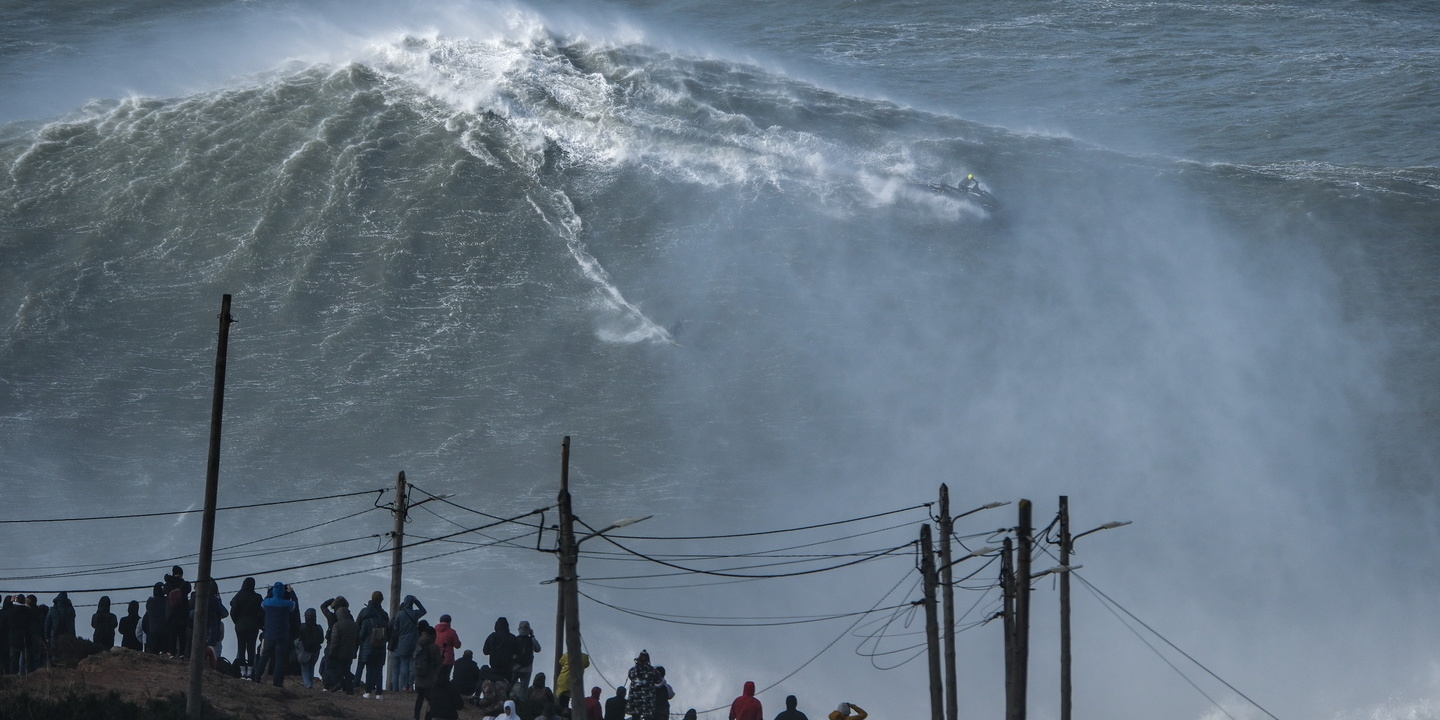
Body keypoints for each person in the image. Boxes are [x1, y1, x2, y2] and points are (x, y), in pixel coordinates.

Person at [254, 582, 297, 687]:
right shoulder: (287, 604)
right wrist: (292, 593)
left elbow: (263, 602)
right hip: (282, 636)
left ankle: (256, 678)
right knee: (279, 660)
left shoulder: (267, 603)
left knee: (264, 657)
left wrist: (269, 592)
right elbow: (295, 604)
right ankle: (277, 682)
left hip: (269, 635)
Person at [356, 590, 390, 699]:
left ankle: (366, 690)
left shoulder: (364, 613)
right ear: (381, 600)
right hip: (381, 647)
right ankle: (379, 693)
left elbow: (359, 631)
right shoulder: (384, 615)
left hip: (367, 646)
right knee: (379, 670)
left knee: (367, 669)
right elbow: (388, 633)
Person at [390, 594, 427, 691]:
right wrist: (416, 601)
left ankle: (403, 686)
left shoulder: (400, 614)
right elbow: (424, 611)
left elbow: (396, 628)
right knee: (411, 664)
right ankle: (408, 685)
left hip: (402, 642)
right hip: (413, 642)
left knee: (404, 664)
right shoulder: (415, 614)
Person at [229, 577, 263, 673]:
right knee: (251, 647)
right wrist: (259, 623)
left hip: (240, 625)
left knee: (241, 647)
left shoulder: (239, 596)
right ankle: (250, 670)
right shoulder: (258, 597)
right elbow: (261, 613)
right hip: (253, 626)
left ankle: (242, 670)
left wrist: (236, 622)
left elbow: (233, 611)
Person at [326, 603, 359, 694]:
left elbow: (335, 641)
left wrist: (331, 652)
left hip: (339, 653)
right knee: (347, 671)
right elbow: (357, 641)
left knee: (338, 670)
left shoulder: (337, 626)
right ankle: (349, 690)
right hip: (350, 652)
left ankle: (339, 684)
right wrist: (355, 651)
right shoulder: (354, 625)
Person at [414, 624, 444, 720]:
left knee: (420, 697)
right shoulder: (434, 647)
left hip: (419, 676)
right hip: (429, 677)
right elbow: (439, 662)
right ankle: (429, 716)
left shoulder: (419, 644)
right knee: (432, 699)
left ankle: (416, 715)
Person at [483, 617, 518, 686]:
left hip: (494, 667)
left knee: (494, 686)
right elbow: (519, 652)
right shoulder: (512, 637)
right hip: (508, 668)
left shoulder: (491, 637)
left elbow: (485, 651)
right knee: (506, 687)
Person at [626, 651, 658, 720]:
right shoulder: (651, 670)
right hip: (645, 700)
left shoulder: (633, 670)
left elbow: (630, 676)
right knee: (644, 717)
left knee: (638, 716)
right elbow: (658, 680)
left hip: (638, 700)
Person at [297, 608, 324, 689]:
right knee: (311, 667)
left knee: (305, 669)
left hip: (305, 651)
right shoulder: (319, 628)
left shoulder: (302, 627)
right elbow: (321, 640)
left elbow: (299, 638)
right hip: (315, 651)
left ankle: (308, 684)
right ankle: (310, 683)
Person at [513, 620, 541, 689]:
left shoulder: (515, 639)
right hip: (527, 668)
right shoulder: (531, 639)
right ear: (529, 629)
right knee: (523, 691)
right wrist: (532, 635)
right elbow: (538, 649)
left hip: (515, 668)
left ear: (518, 629)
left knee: (511, 689)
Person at [144, 583, 168, 655]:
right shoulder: (166, 600)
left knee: (154, 653)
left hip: (153, 630)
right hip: (165, 630)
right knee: (165, 653)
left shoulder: (150, 601)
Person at [434, 614, 461, 678]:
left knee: (435, 678)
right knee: (445, 678)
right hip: (447, 659)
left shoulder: (434, 631)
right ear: (449, 622)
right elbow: (457, 645)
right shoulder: (451, 632)